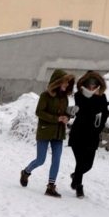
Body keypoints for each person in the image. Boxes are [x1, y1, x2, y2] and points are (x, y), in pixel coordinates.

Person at [19, 69, 76, 197]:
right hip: (45, 131)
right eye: (64, 82)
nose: (66, 85)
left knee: (56, 160)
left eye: (68, 82)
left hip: (58, 133)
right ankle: (26, 172)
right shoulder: (45, 96)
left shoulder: (65, 98)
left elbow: (64, 114)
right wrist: (56, 119)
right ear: (57, 82)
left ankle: (51, 187)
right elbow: (39, 112)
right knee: (40, 160)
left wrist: (68, 116)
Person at [69, 71, 109, 198]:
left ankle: (75, 175)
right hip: (78, 133)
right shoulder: (79, 96)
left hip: (92, 135)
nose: (91, 88)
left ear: (98, 85)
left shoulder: (102, 97)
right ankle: (79, 186)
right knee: (80, 161)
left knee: (88, 165)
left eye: (94, 85)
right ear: (84, 85)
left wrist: (99, 128)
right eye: (89, 85)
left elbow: (104, 114)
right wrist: (93, 98)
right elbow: (85, 112)